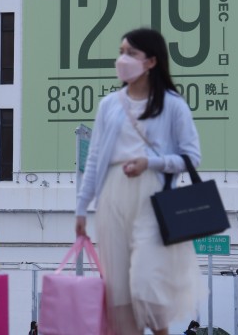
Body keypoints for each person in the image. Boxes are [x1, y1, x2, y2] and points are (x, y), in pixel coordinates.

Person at [75, 28, 202, 335]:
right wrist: (81, 207)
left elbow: (191, 156)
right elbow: (94, 160)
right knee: (117, 289)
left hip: (153, 196)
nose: (123, 59)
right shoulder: (109, 105)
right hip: (112, 194)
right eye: (121, 52)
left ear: (151, 61)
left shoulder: (172, 104)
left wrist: (152, 162)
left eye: (131, 53)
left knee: (145, 282)